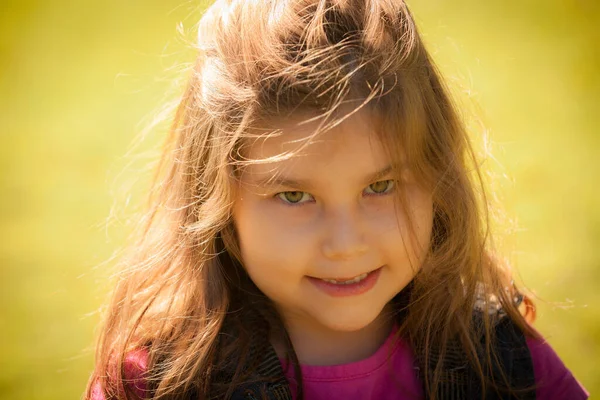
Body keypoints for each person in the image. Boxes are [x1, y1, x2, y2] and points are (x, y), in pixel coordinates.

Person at [85, 0, 589, 399]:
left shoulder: (500, 361)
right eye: (295, 195)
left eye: (381, 187)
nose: (345, 245)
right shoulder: (157, 386)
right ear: (216, 201)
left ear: (437, 179)